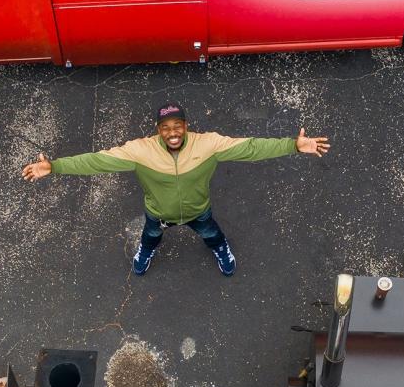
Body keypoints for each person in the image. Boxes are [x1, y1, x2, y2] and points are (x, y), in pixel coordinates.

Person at [21, 102, 330, 276]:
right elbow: (98, 161)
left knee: (211, 233)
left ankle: (221, 250)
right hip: (158, 212)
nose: (172, 133)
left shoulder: (208, 144)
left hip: (198, 209)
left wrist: (292, 145)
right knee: (151, 235)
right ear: (158, 131)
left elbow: (250, 148)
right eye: (165, 128)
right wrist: (56, 166)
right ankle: (148, 251)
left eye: (177, 126)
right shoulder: (140, 150)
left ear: (186, 126)